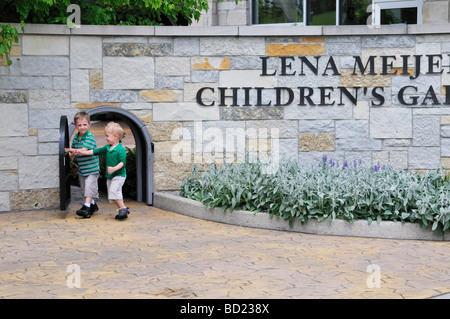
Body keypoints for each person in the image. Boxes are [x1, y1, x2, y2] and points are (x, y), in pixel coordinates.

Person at [75, 122, 130, 220]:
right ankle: (122, 209)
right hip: (111, 176)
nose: (105, 138)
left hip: (119, 175)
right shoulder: (107, 147)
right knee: (114, 193)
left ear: (115, 136)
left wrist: (114, 168)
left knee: (114, 191)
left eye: (107, 136)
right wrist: (82, 152)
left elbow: (122, 163)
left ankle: (123, 208)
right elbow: (95, 151)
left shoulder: (120, 149)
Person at [65, 111, 100, 218]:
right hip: (83, 169)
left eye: (85, 125)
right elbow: (75, 153)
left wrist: (68, 149)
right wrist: (71, 156)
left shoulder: (90, 137)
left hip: (92, 169)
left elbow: (82, 150)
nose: (82, 127)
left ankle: (86, 207)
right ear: (75, 126)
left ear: (89, 125)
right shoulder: (76, 138)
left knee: (89, 188)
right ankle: (93, 205)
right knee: (84, 190)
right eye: (79, 125)